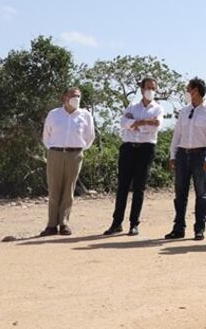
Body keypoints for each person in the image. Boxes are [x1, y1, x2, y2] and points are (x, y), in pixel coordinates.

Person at [104, 77, 163, 236]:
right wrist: (143, 123)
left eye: (153, 88)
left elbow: (157, 125)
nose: (151, 90)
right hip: (128, 148)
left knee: (139, 187)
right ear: (142, 89)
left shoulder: (157, 108)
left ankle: (134, 224)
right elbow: (123, 122)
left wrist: (138, 123)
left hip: (146, 149)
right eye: (148, 87)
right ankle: (116, 223)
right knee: (123, 186)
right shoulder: (132, 106)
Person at [165, 77, 206, 241]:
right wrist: (173, 154)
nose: (186, 92)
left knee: (201, 194)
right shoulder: (184, 111)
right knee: (180, 194)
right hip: (183, 154)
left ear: (196, 91)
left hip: (200, 155)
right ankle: (178, 228)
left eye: (188, 89)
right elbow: (177, 134)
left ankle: (199, 229)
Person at [40, 87, 96, 236]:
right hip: (55, 153)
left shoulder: (85, 115)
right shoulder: (54, 114)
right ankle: (51, 225)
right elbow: (46, 135)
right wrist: (53, 149)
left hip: (75, 155)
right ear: (64, 97)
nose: (76, 98)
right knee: (54, 189)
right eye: (73, 95)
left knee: (68, 190)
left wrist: (80, 149)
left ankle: (64, 223)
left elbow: (90, 136)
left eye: (78, 96)